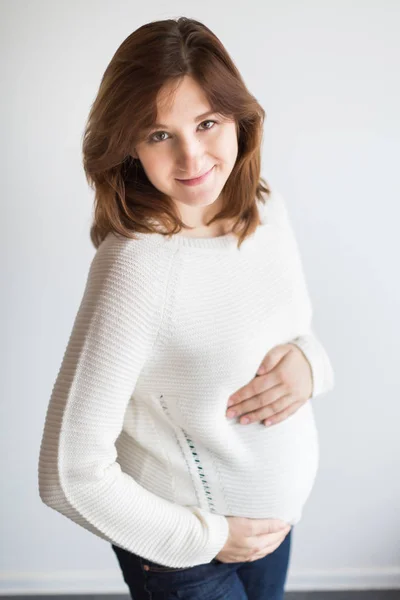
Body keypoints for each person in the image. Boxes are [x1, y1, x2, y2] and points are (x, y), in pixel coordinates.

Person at [38, 17, 335, 600]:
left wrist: (310, 364)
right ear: (128, 145)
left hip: (273, 532)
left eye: (207, 123)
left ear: (239, 120)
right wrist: (208, 537)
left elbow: (289, 328)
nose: (192, 156)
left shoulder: (265, 208)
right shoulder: (137, 268)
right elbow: (67, 474)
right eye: (158, 134)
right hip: (189, 558)